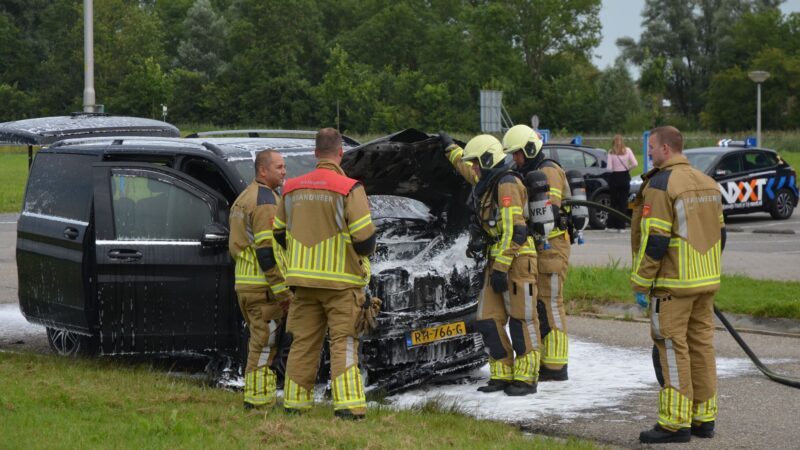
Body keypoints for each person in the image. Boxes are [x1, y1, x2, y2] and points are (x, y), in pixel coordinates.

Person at [631, 126, 726, 444]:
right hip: (706, 282)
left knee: (672, 350)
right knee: (702, 348)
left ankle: (674, 423)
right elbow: (720, 234)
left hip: (672, 285)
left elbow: (655, 239)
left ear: (666, 150)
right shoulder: (708, 182)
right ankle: (703, 419)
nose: (649, 153)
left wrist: (641, 283)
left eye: (652, 147)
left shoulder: (661, 184)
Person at [274, 128, 376, 419]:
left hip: (302, 283)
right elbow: (364, 240)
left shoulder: (291, 188)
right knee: (343, 343)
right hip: (341, 284)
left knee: (303, 344)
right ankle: (347, 407)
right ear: (340, 152)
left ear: (315, 153)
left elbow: (278, 232)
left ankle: (295, 405)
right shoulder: (349, 188)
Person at [441, 132, 540, 396]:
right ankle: (502, 375)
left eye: (476, 162)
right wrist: (450, 148)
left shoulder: (506, 184)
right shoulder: (486, 181)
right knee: (487, 320)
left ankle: (526, 379)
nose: (473, 167)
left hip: (517, 260)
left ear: (487, 159)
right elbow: (466, 168)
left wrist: (500, 268)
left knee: (521, 322)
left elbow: (514, 231)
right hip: (497, 260)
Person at [502, 125, 571, 382]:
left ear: (530, 148)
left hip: (552, 247)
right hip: (541, 246)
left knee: (551, 304)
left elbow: (548, 212)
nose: (515, 159)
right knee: (541, 305)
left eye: (518, 154)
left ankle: (556, 365)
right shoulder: (529, 170)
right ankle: (548, 361)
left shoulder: (548, 170)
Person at [228, 149, 293, 410]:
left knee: (259, 341)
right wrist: (283, 293)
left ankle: (258, 399)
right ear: (262, 170)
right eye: (279, 167)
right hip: (262, 287)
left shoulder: (244, 197)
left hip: (246, 285)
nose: (284, 171)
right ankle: (257, 402)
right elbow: (267, 252)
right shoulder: (265, 200)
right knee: (265, 344)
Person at [606, 134, 638, 232]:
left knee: (614, 201)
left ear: (613, 142)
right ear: (622, 141)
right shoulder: (628, 150)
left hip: (615, 177)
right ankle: (621, 226)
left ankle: (611, 225)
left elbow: (609, 168)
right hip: (625, 177)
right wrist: (628, 168)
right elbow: (635, 164)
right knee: (623, 202)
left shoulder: (611, 152)